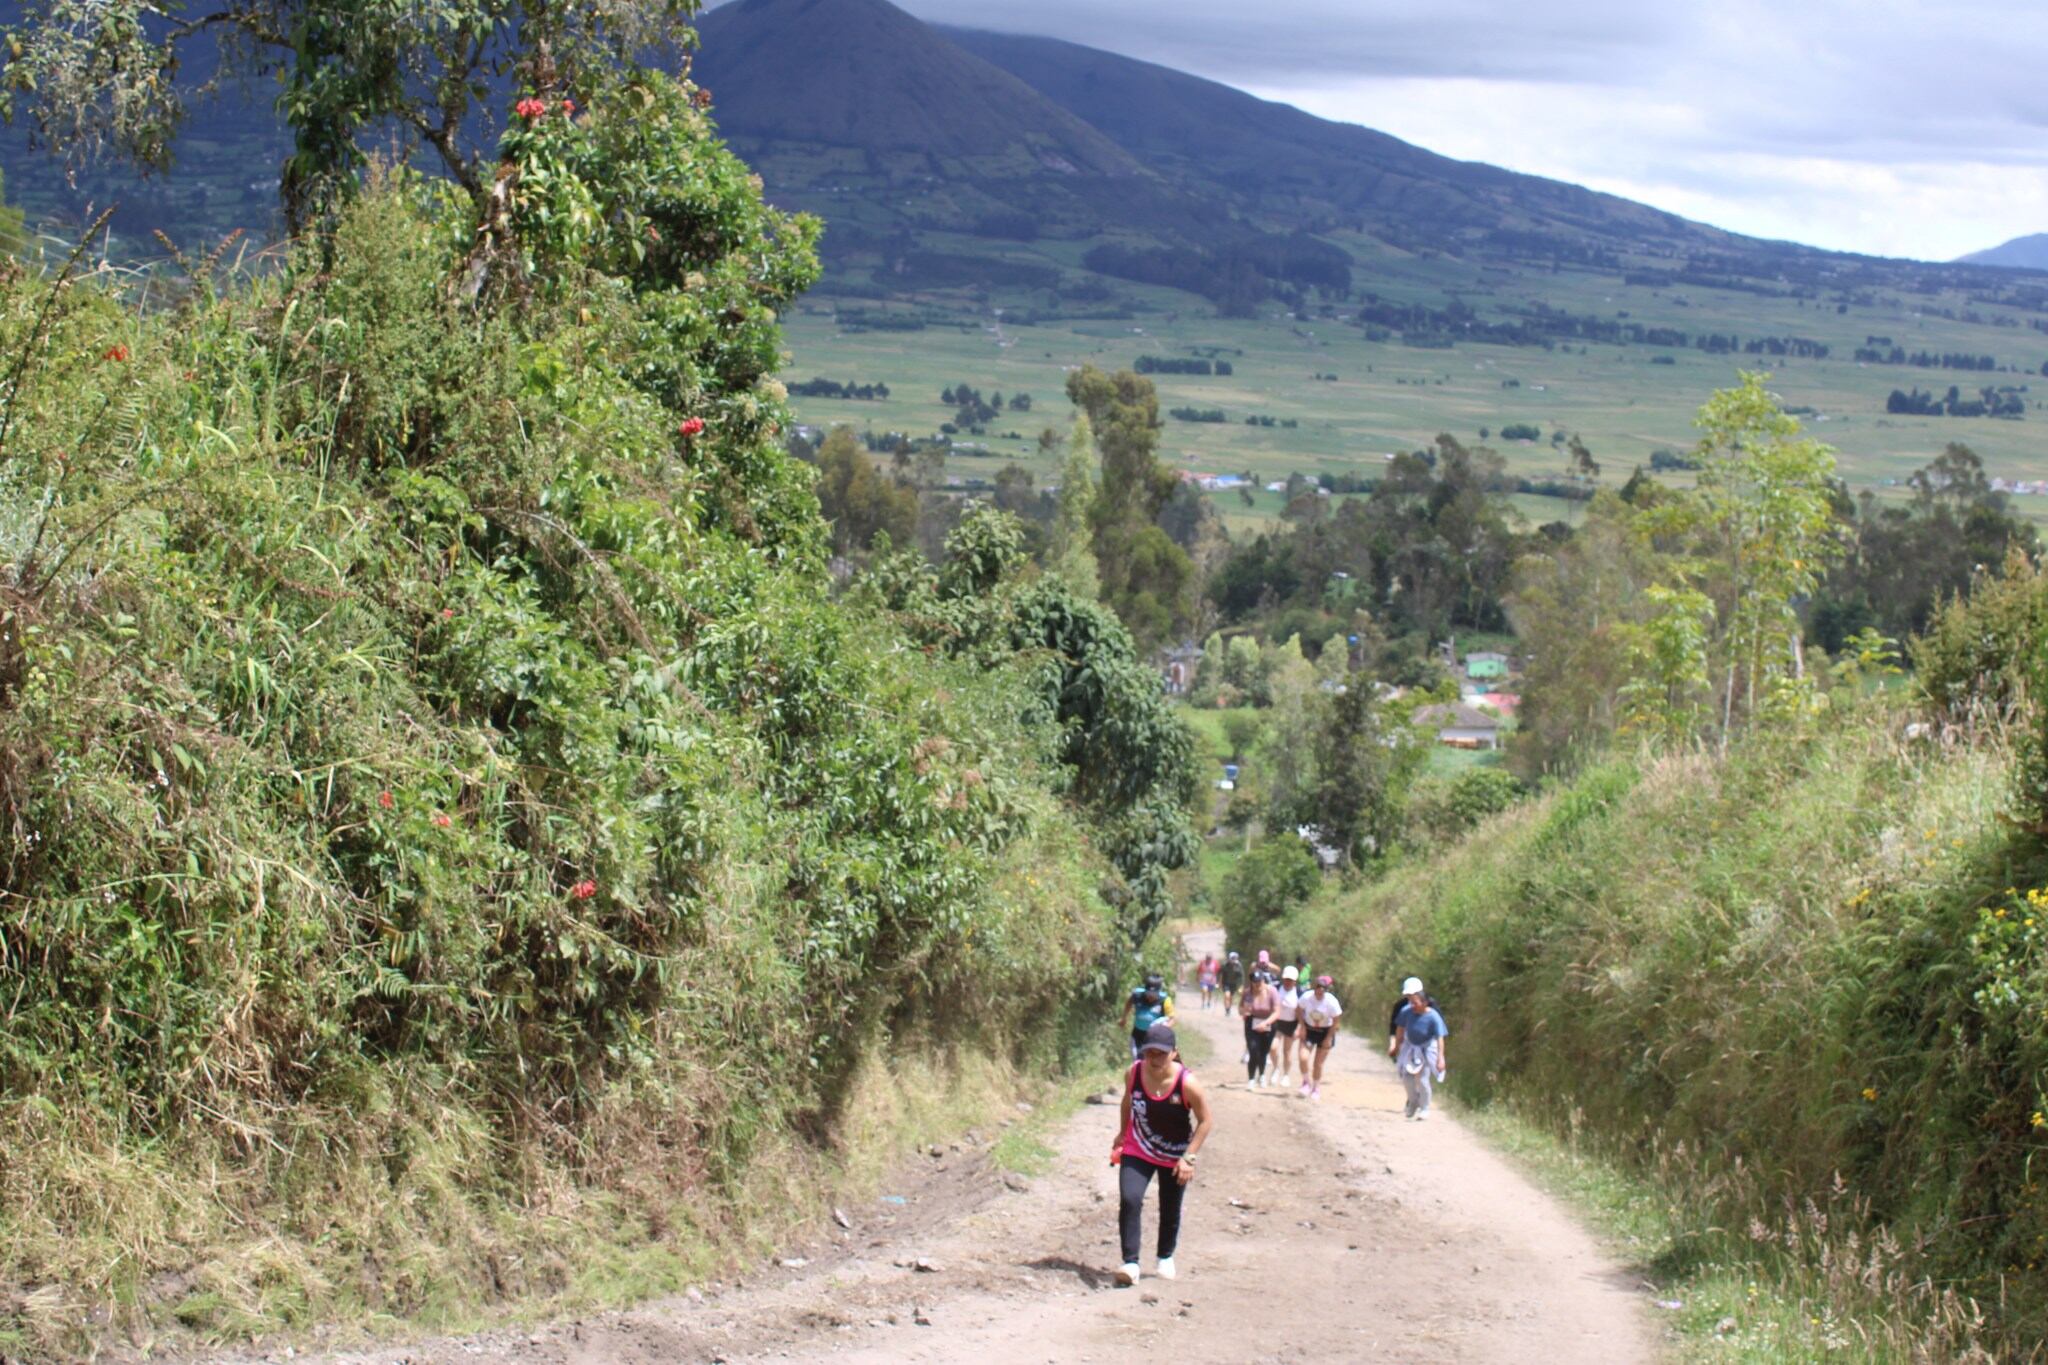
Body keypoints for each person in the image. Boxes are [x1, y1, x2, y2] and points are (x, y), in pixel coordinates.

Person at [1110, 1020, 1213, 1286]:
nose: (1154, 1059)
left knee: (1170, 1206)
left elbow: (1205, 1121)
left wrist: (1189, 1158)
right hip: (1138, 1146)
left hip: (1175, 1154)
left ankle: (1165, 1256)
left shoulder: (1187, 1083)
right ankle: (1130, 1263)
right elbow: (1127, 1100)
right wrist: (1122, 1133)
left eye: (1161, 1054)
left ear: (1174, 1052)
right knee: (1130, 1198)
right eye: (1149, 1053)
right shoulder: (1134, 1073)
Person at [1389, 977, 1449, 1120]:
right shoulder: (1405, 1010)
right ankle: (1413, 1101)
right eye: (1410, 999)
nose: (1412, 1004)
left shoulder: (1433, 1015)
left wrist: (1440, 1058)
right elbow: (1399, 1029)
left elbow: (1440, 1037)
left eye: (1415, 1001)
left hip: (1427, 1047)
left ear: (1424, 1002)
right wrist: (1396, 1046)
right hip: (1410, 1046)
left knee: (1422, 1079)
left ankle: (1425, 1107)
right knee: (1406, 1078)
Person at [1297, 975, 1343, 1100]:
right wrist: (1302, 1027)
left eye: (1323, 988)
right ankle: (1306, 1082)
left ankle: (1316, 1087)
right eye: (1318, 987)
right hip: (1309, 1030)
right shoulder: (1306, 997)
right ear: (1314, 987)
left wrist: (1328, 1038)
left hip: (1325, 1031)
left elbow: (1336, 1021)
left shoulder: (1331, 1002)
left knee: (1318, 1063)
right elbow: (1299, 1009)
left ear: (1326, 989)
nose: (1320, 990)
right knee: (1303, 1057)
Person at [1119, 972, 1175, 1060]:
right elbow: (1129, 1003)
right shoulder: (1137, 995)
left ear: (1158, 992)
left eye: (1153, 994)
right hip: (1137, 1034)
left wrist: (1165, 1027)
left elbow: (1172, 1018)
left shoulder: (1165, 1000)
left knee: (1148, 1060)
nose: (1150, 997)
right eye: (1148, 993)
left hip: (1154, 1037)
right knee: (1136, 1059)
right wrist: (1124, 1018)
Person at [1239, 968, 1277, 1086]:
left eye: (1259, 981)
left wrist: (1266, 1023)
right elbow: (1240, 1008)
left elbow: (1277, 1012)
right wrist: (1244, 1011)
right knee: (1253, 1049)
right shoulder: (1247, 993)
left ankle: (1261, 1074)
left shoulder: (1271, 992)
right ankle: (1251, 1078)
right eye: (1255, 982)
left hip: (1268, 1022)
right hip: (1252, 1022)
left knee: (1263, 1052)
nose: (1257, 984)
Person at [1386, 982, 1447, 1052]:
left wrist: (1440, 1053)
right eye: (1408, 994)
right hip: (1408, 1040)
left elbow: (1440, 1029)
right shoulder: (1401, 1006)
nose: (1410, 997)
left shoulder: (1432, 1006)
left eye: (1413, 994)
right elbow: (1395, 1027)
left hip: (1429, 1042)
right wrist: (1393, 1044)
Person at [1270, 965, 1302, 1085]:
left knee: (1287, 1051)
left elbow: (1301, 1013)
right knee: (1273, 1048)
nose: (1288, 982)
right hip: (1277, 1023)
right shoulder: (1276, 988)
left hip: (1291, 1024)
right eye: (1286, 979)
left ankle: (1286, 1075)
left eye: (1291, 980)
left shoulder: (1299, 993)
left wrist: (1299, 1028)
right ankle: (1275, 1069)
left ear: (1295, 981)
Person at [1219, 951, 1244, 1015]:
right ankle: (1226, 1009)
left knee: (1230, 997)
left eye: (1235, 958)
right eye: (1232, 958)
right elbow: (1221, 974)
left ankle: (1229, 1008)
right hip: (1226, 983)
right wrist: (1220, 983)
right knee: (1227, 995)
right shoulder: (1224, 965)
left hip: (1234, 984)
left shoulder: (1238, 965)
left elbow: (1241, 976)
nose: (1234, 959)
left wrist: (1241, 986)